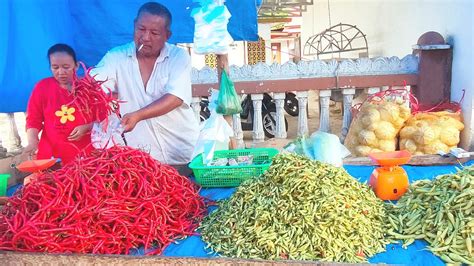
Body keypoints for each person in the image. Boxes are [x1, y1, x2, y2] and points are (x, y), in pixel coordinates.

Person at [92, 2, 199, 174]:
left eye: (154, 33)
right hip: (145, 160)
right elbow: (95, 83)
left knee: (191, 197)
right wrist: (98, 96)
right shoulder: (115, 57)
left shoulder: (178, 57)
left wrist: (138, 115)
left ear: (167, 35)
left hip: (182, 152)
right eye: (141, 29)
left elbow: (175, 97)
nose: (145, 37)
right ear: (134, 25)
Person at [23, 44, 103, 165]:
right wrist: (33, 142)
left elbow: (103, 120)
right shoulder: (42, 87)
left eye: (66, 67)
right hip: (51, 155)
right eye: (55, 67)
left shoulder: (89, 89)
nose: (61, 72)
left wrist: (87, 127)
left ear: (76, 66)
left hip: (85, 155)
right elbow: (33, 119)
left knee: (83, 182)